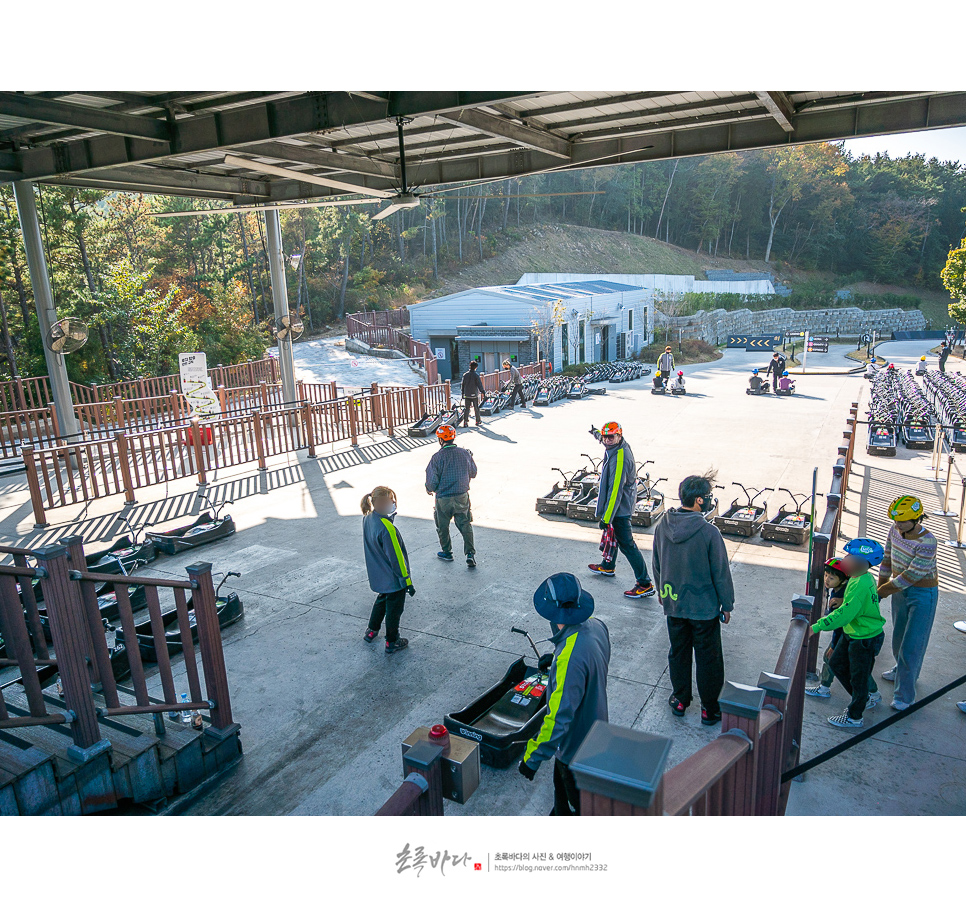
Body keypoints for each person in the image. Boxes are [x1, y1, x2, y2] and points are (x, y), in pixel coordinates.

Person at [517, 573, 611, 816]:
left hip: (575, 750)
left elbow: (558, 717)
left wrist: (532, 757)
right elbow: (591, 666)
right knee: (563, 797)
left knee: (576, 804)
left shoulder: (571, 656)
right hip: (598, 729)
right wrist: (557, 657)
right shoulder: (598, 627)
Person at [651, 472, 735, 725]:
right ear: (699, 500)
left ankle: (680, 699)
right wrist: (727, 604)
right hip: (703, 609)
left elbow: (656, 563)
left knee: (678, 653)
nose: (710, 501)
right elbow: (720, 572)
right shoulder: (709, 533)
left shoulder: (662, 527)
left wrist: (660, 591)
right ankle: (710, 709)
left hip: (673, 604)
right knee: (708, 658)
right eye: (708, 497)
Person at [812, 539, 886, 728]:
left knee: (858, 678)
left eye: (850, 557)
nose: (845, 560)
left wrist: (816, 627)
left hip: (864, 638)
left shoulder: (861, 583)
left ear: (862, 563)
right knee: (836, 663)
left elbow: (845, 614)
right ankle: (862, 697)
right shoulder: (859, 577)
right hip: (853, 633)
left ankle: (855, 716)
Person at [877, 495, 939, 710]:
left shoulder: (928, 542)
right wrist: (881, 583)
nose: (898, 525)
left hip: (922, 593)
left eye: (902, 522)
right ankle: (900, 670)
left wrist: (883, 591)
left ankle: (905, 695)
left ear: (917, 519)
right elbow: (887, 558)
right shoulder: (894, 531)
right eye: (895, 521)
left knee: (913, 644)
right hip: (898, 591)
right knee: (899, 636)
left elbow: (912, 576)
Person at [586, 421, 656, 599]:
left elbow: (616, 489)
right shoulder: (614, 445)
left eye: (611, 437)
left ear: (619, 435)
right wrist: (595, 432)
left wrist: (607, 517)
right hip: (617, 507)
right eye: (605, 437)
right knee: (613, 537)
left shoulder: (620, 456)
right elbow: (601, 438)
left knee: (627, 545)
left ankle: (644, 583)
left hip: (620, 509)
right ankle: (608, 566)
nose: (607, 440)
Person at [806, 558, 879, 705]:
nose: (826, 579)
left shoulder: (847, 593)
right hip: (854, 633)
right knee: (850, 667)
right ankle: (826, 687)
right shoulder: (859, 581)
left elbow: (840, 622)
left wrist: (832, 644)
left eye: (832, 577)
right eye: (826, 575)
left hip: (856, 635)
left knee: (856, 669)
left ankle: (870, 696)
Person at [361, 486, 415, 654]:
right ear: (380, 503)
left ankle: (371, 631)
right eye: (390, 501)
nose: (392, 504)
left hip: (379, 577)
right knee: (394, 609)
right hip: (393, 580)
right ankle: (392, 641)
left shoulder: (368, 519)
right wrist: (406, 581)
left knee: (381, 601)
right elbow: (397, 559)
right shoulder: (387, 529)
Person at [425, 423, 478, 567]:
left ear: (440, 440)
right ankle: (470, 554)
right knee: (465, 524)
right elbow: (473, 472)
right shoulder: (465, 453)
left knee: (442, 526)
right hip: (462, 496)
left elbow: (432, 482)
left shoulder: (436, 457)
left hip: (443, 499)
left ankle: (447, 552)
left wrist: (428, 488)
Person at [460, 360, 486, 427]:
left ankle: (465, 422)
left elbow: (462, 385)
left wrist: (462, 393)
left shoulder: (465, 375)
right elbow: (479, 385)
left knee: (467, 408)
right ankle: (477, 421)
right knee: (476, 408)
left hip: (467, 394)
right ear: (476, 367)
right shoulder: (476, 375)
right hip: (474, 394)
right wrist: (483, 391)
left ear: (470, 366)